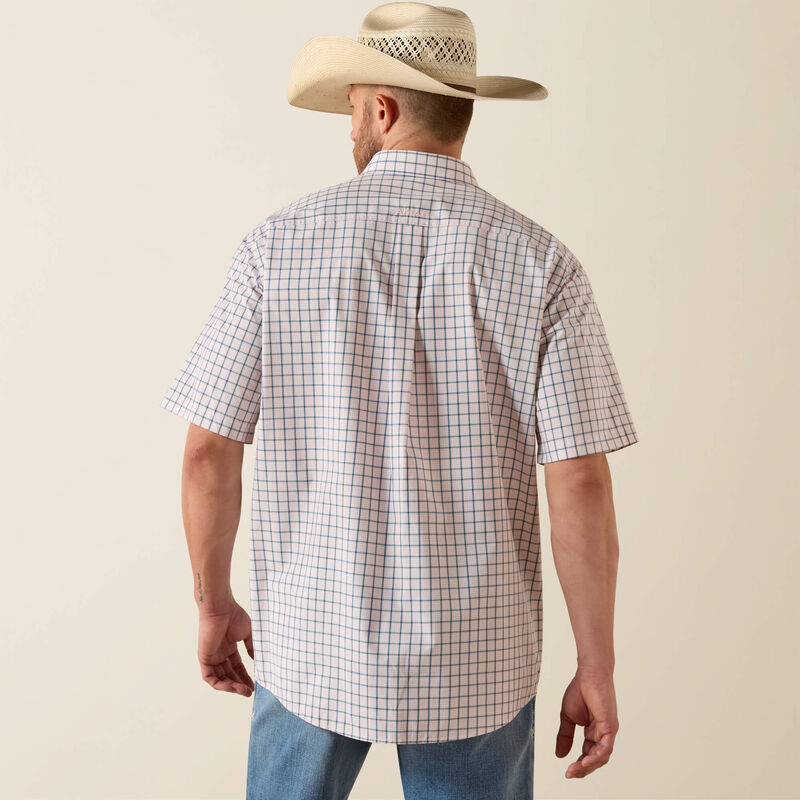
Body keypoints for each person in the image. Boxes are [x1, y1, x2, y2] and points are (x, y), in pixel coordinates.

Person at [159, 3, 639, 798]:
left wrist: (213, 605)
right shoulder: (543, 265)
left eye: (351, 107)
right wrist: (597, 663)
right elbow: (580, 481)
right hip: (475, 655)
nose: (350, 125)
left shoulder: (275, 248)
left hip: (312, 637)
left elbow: (208, 450)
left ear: (381, 110)